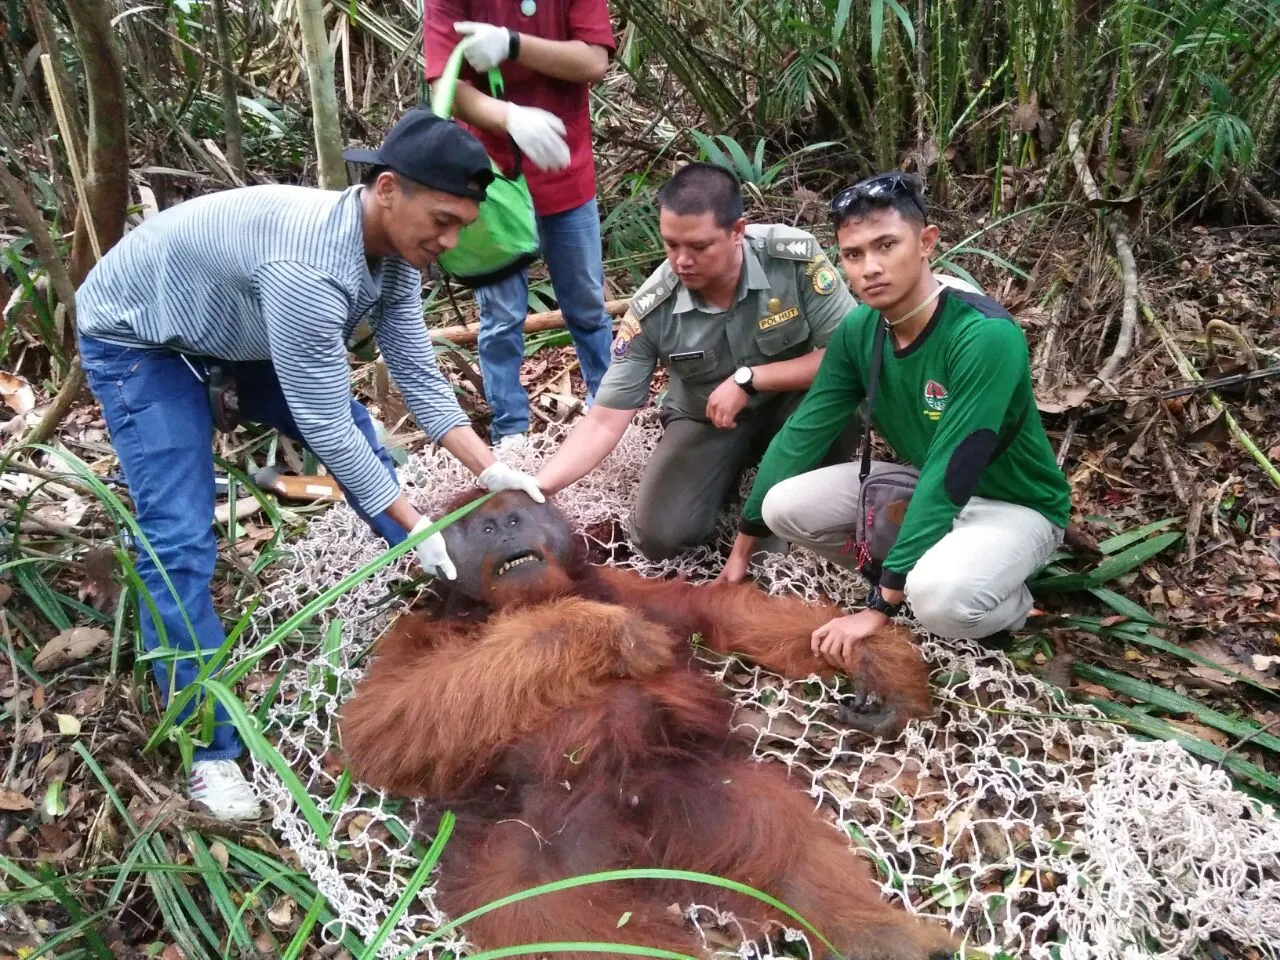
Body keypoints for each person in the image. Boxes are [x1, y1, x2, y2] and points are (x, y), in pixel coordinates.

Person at [75, 108, 544, 821]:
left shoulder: (395, 252)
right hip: (143, 340)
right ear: (387, 189)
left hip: (236, 329)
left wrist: (490, 468)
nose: (449, 242)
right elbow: (325, 425)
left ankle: (455, 593)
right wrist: (415, 523)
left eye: (461, 227)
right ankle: (208, 750)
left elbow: (416, 371)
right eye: (443, 221)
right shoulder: (307, 271)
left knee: (369, 455)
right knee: (178, 539)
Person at [717, 172, 1072, 664]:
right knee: (784, 506)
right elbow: (802, 435)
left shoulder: (983, 334)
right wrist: (740, 554)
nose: (870, 268)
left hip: (1015, 504)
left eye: (887, 245)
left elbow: (955, 465)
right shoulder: (861, 330)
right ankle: (916, 568)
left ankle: (1007, 604)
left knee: (940, 601)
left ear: (926, 242)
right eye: (853, 255)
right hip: (926, 484)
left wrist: (878, 608)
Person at [535, 162, 858, 559]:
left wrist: (750, 378)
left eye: (699, 247)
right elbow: (605, 419)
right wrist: (540, 486)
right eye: (671, 245)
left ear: (737, 231)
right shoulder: (655, 307)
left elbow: (848, 357)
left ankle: (799, 504)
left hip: (794, 404)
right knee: (660, 537)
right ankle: (725, 476)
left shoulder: (791, 259)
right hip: (708, 419)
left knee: (843, 404)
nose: (682, 261)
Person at [423, 0, 617, 448]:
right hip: (492, 183)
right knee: (502, 316)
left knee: (587, 304)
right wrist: (508, 116)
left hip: (565, 167)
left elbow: (594, 60)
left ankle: (608, 410)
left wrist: (513, 45)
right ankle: (511, 430)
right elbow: (446, 83)